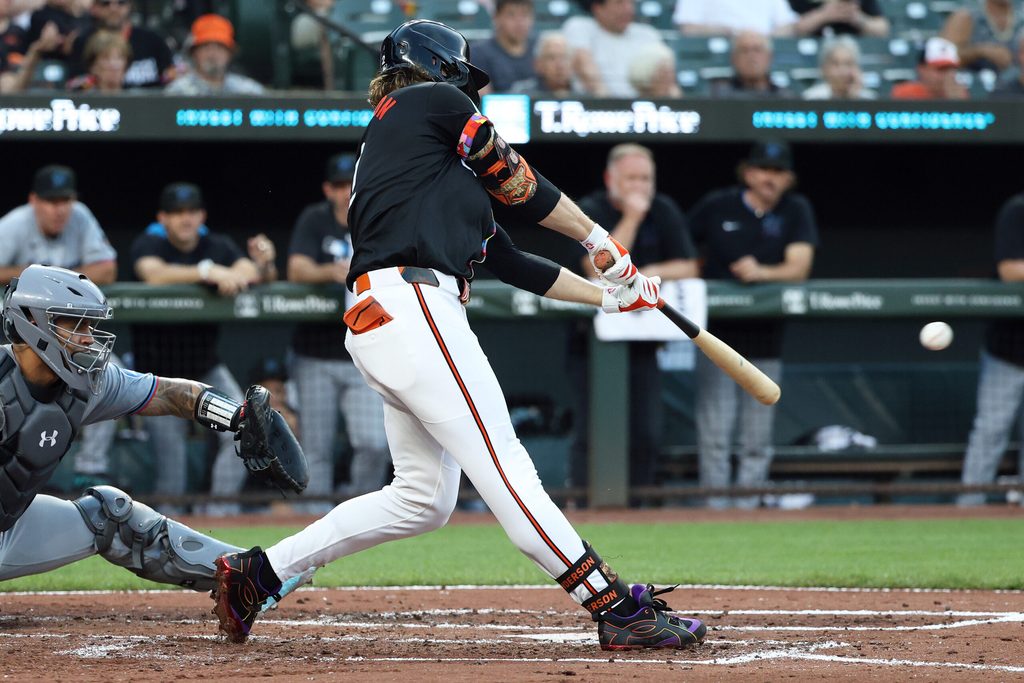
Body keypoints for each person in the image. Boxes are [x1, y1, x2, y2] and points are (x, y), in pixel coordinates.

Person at [210, 19, 706, 651]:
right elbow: (516, 177)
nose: (471, 92)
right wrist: (599, 240)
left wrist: (611, 297)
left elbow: (514, 262)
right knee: (505, 465)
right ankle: (614, 607)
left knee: (421, 499)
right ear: (442, 70)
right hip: (414, 305)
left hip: (390, 316)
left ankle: (259, 574)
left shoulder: (425, 169)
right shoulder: (428, 100)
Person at [0, 264, 247, 593]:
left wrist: (238, 417)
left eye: (89, 325)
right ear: (32, 321)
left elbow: (168, 394)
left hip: (9, 530)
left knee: (111, 515)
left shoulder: (85, 384)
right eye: (75, 324)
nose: (88, 338)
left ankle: (245, 573)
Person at [129, 182, 278, 515]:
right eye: (177, 213)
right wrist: (208, 271)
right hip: (158, 375)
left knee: (245, 428)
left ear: (202, 216)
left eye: (192, 212)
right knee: (172, 468)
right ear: (163, 218)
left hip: (204, 366)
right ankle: (166, 528)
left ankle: (217, 514)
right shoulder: (150, 242)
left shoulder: (215, 244)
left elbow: (247, 271)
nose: (186, 219)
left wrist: (254, 269)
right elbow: (152, 273)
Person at [687, 141, 818, 509]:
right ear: (747, 172)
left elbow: (799, 267)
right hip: (716, 340)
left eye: (778, 172)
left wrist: (762, 272)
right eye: (763, 170)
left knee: (756, 439)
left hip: (766, 339)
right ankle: (714, 510)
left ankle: (747, 513)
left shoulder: (795, 209)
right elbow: (681, 247)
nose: (769, 178)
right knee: (715, 435)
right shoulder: (719, 205)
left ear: (788, 178)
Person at [570, 144, 698, 504]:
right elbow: (595, 267)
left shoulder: (664, 209)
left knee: (646, 430)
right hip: (591, 339)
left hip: (643, 339)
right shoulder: (590, 209)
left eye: (645, 179)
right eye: (631, 179)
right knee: (593, 427)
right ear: (610, 179)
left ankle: (640, 508)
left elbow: (689, 266)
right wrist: (632, 217)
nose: (640, 187)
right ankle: (583, 503)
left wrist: (650, 273)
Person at [0, 165, 119, 488]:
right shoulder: (15, 225)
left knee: (107, 372)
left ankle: (91, 468)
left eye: (65, 200)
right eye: (51, 201)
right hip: (21, 336)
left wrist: (55, 279)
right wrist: (34, 278)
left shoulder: (81, 217)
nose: (59, 209)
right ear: (33, 200)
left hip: (67, 332)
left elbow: (107, 269)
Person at [287, 153, 391, 509]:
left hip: (364, 353)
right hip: (315, 354)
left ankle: (360, 516)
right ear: (328, 190)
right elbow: (296, 269)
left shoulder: (380, 217)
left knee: (374, 442)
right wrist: (330, 271)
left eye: (352, 184)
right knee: (315, 450)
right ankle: (315, 525)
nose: (347, 192)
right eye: (340, 185)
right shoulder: (315, 219)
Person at [957, 191, 1024, 506]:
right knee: (991, 429)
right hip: (1008, 351)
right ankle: (969, 508)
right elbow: (1011, 271)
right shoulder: (1018, 210)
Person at [563, 0, 665, 97]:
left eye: (631, 2)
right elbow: (584, 67)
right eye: (619, 2)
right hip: (596, 104)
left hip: (643, 105)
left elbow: (665, 78)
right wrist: (609, 103)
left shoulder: (648, 34)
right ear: (598, 8)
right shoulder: (579, 27)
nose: (629, 9)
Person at [68, 0, 176, 89]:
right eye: (105, 3)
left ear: (130, 5)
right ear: (94, 7)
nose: (113, 8)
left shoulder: (153, 40)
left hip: (151, 105)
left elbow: (171, 77)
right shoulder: (83, 42)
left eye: (121, 2)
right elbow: (74, 86)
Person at [164, 14, 263, 95]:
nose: (213, 54)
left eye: (219, 48)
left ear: (230, 54)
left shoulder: (248, 91)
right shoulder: (177, 92)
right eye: (206, 47)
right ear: (194, 53)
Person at [472, 0, 536, 94]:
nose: (520, 22)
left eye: (525, 15)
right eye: (511, 15)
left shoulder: (541, 50)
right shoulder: (478, 53)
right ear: (496, 18)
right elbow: (483, 97)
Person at [941, 0, 1022, 73]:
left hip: (1014, 81)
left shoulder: (1020, 16)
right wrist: (981, 51)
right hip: (970, 79)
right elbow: (943, 57)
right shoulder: (967, 15)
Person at [709, 31, 795, 98]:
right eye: (744, 50)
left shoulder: (785, 98)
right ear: (733, 58)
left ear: (769, 57)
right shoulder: (718, 96)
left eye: (757, 50)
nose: (751, 56)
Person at [891, 36, 968, 100]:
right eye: (941, 69)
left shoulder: (959, 93)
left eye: (951, 69)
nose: (947, 75)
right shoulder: (905, 93)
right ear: (922, 69)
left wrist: (956, 101)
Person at [802, 34, 876, 99]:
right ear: (824, 68)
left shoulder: (870, 99)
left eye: (848, 64)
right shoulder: (811, 98)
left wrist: (854, 99)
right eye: (835, 64)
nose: (842, 71)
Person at [509, 30, 577, 98]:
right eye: (551, 58)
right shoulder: (522, 93)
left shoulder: (581, 90)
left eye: (564, 58)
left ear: (572, 63)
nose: (559, 65)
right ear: (538, 64)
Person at [674, 0, 798, 36]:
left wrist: (761, 39)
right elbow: (687, 27)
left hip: (763, 51)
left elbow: (787, 26)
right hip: (718, 51)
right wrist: (722, 31)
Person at [66, 28, 131, 92]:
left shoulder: (134, 91)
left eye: (120, 57)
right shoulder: (78, 92)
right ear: (93, 66)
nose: (114, 65)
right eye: (106, 58)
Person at [789, 0, 890, 38]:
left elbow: (883, 29)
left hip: (854, 49)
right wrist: (824, 14)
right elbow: (792, 29)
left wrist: (857, 18)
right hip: (809, 53)